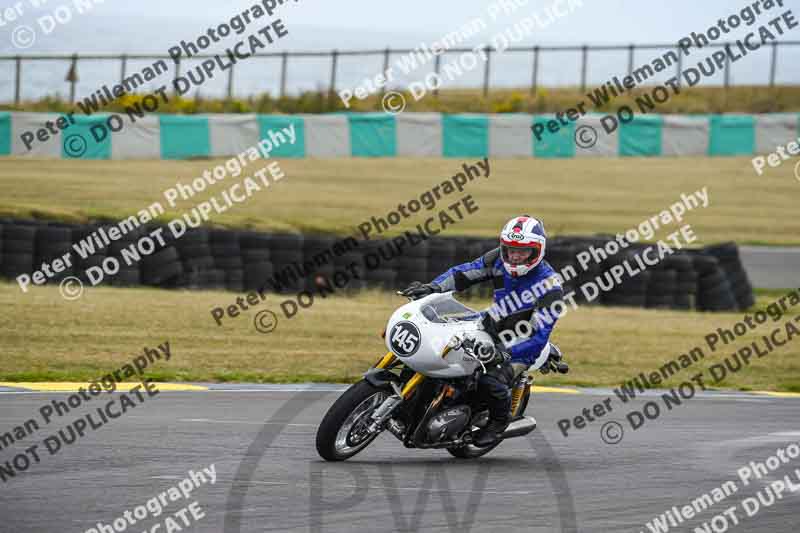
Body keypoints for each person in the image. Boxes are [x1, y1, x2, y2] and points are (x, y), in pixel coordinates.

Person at [399, 216, 568, 446]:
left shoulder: (549, 287)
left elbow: (538, 336)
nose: (515, 256)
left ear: (537, 251)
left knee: (491, 378)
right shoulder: (498, 259)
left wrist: (505, 354)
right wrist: (433, 287)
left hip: (522, 344)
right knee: (440, 349)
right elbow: (465, 273)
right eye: (510, 250)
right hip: (491, 324)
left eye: (523, 251)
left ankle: (499, 423)